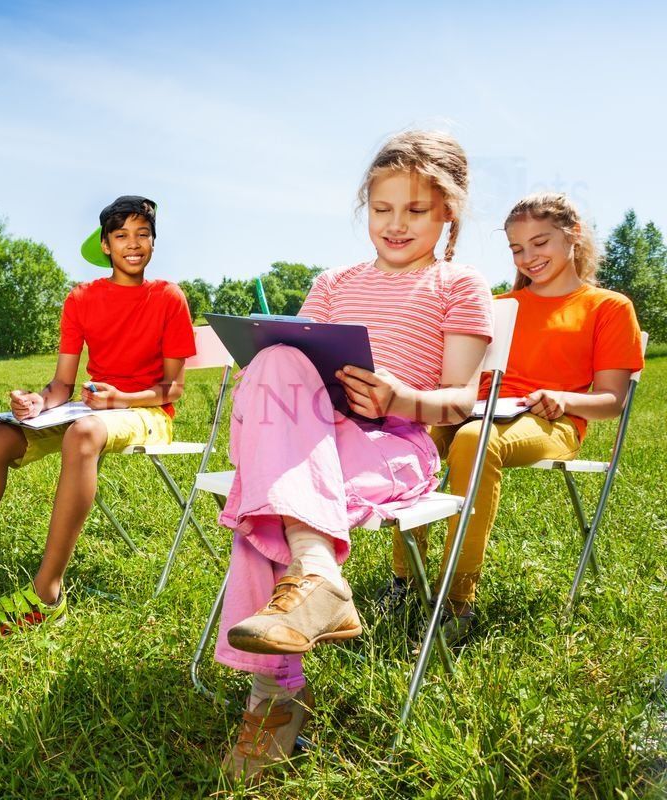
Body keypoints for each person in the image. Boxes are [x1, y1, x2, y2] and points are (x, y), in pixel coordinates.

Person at [215, 131, 494, 782]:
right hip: (309, 433)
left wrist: (402, 398)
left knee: (271, 493)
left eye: (415, 210)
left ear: (448, 212)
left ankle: (273, 698)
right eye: (381, 208)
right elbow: (292, 362)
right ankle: (316, 575)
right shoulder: (334, 283)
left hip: (394, 443)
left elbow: (460, 401)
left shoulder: (458, 285)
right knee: (275, 363)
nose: (395, 224)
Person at [0, 196, 196, 634]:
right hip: (94, 408)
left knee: (83, 432)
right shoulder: (82, 298)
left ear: (153, 244)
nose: (133, 243)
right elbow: (62, 385)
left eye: (143, 235)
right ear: (105, 245)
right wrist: (36, 402)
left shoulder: (168, 297)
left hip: (148, 411)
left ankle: (47, 595)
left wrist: (121, 399)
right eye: (122, 235)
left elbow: (173, 389)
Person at [383, 192, 644, 639]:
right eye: (517, 249)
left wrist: (563, 399)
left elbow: (611, 400)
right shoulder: (497, 305)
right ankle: (406, 579)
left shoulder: (607, 306)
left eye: (540, 243)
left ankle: (456, 600)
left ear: (573, 236)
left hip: (553, 422)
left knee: (475, 440)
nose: (529, 258)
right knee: (412, 432)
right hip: (479, 408)